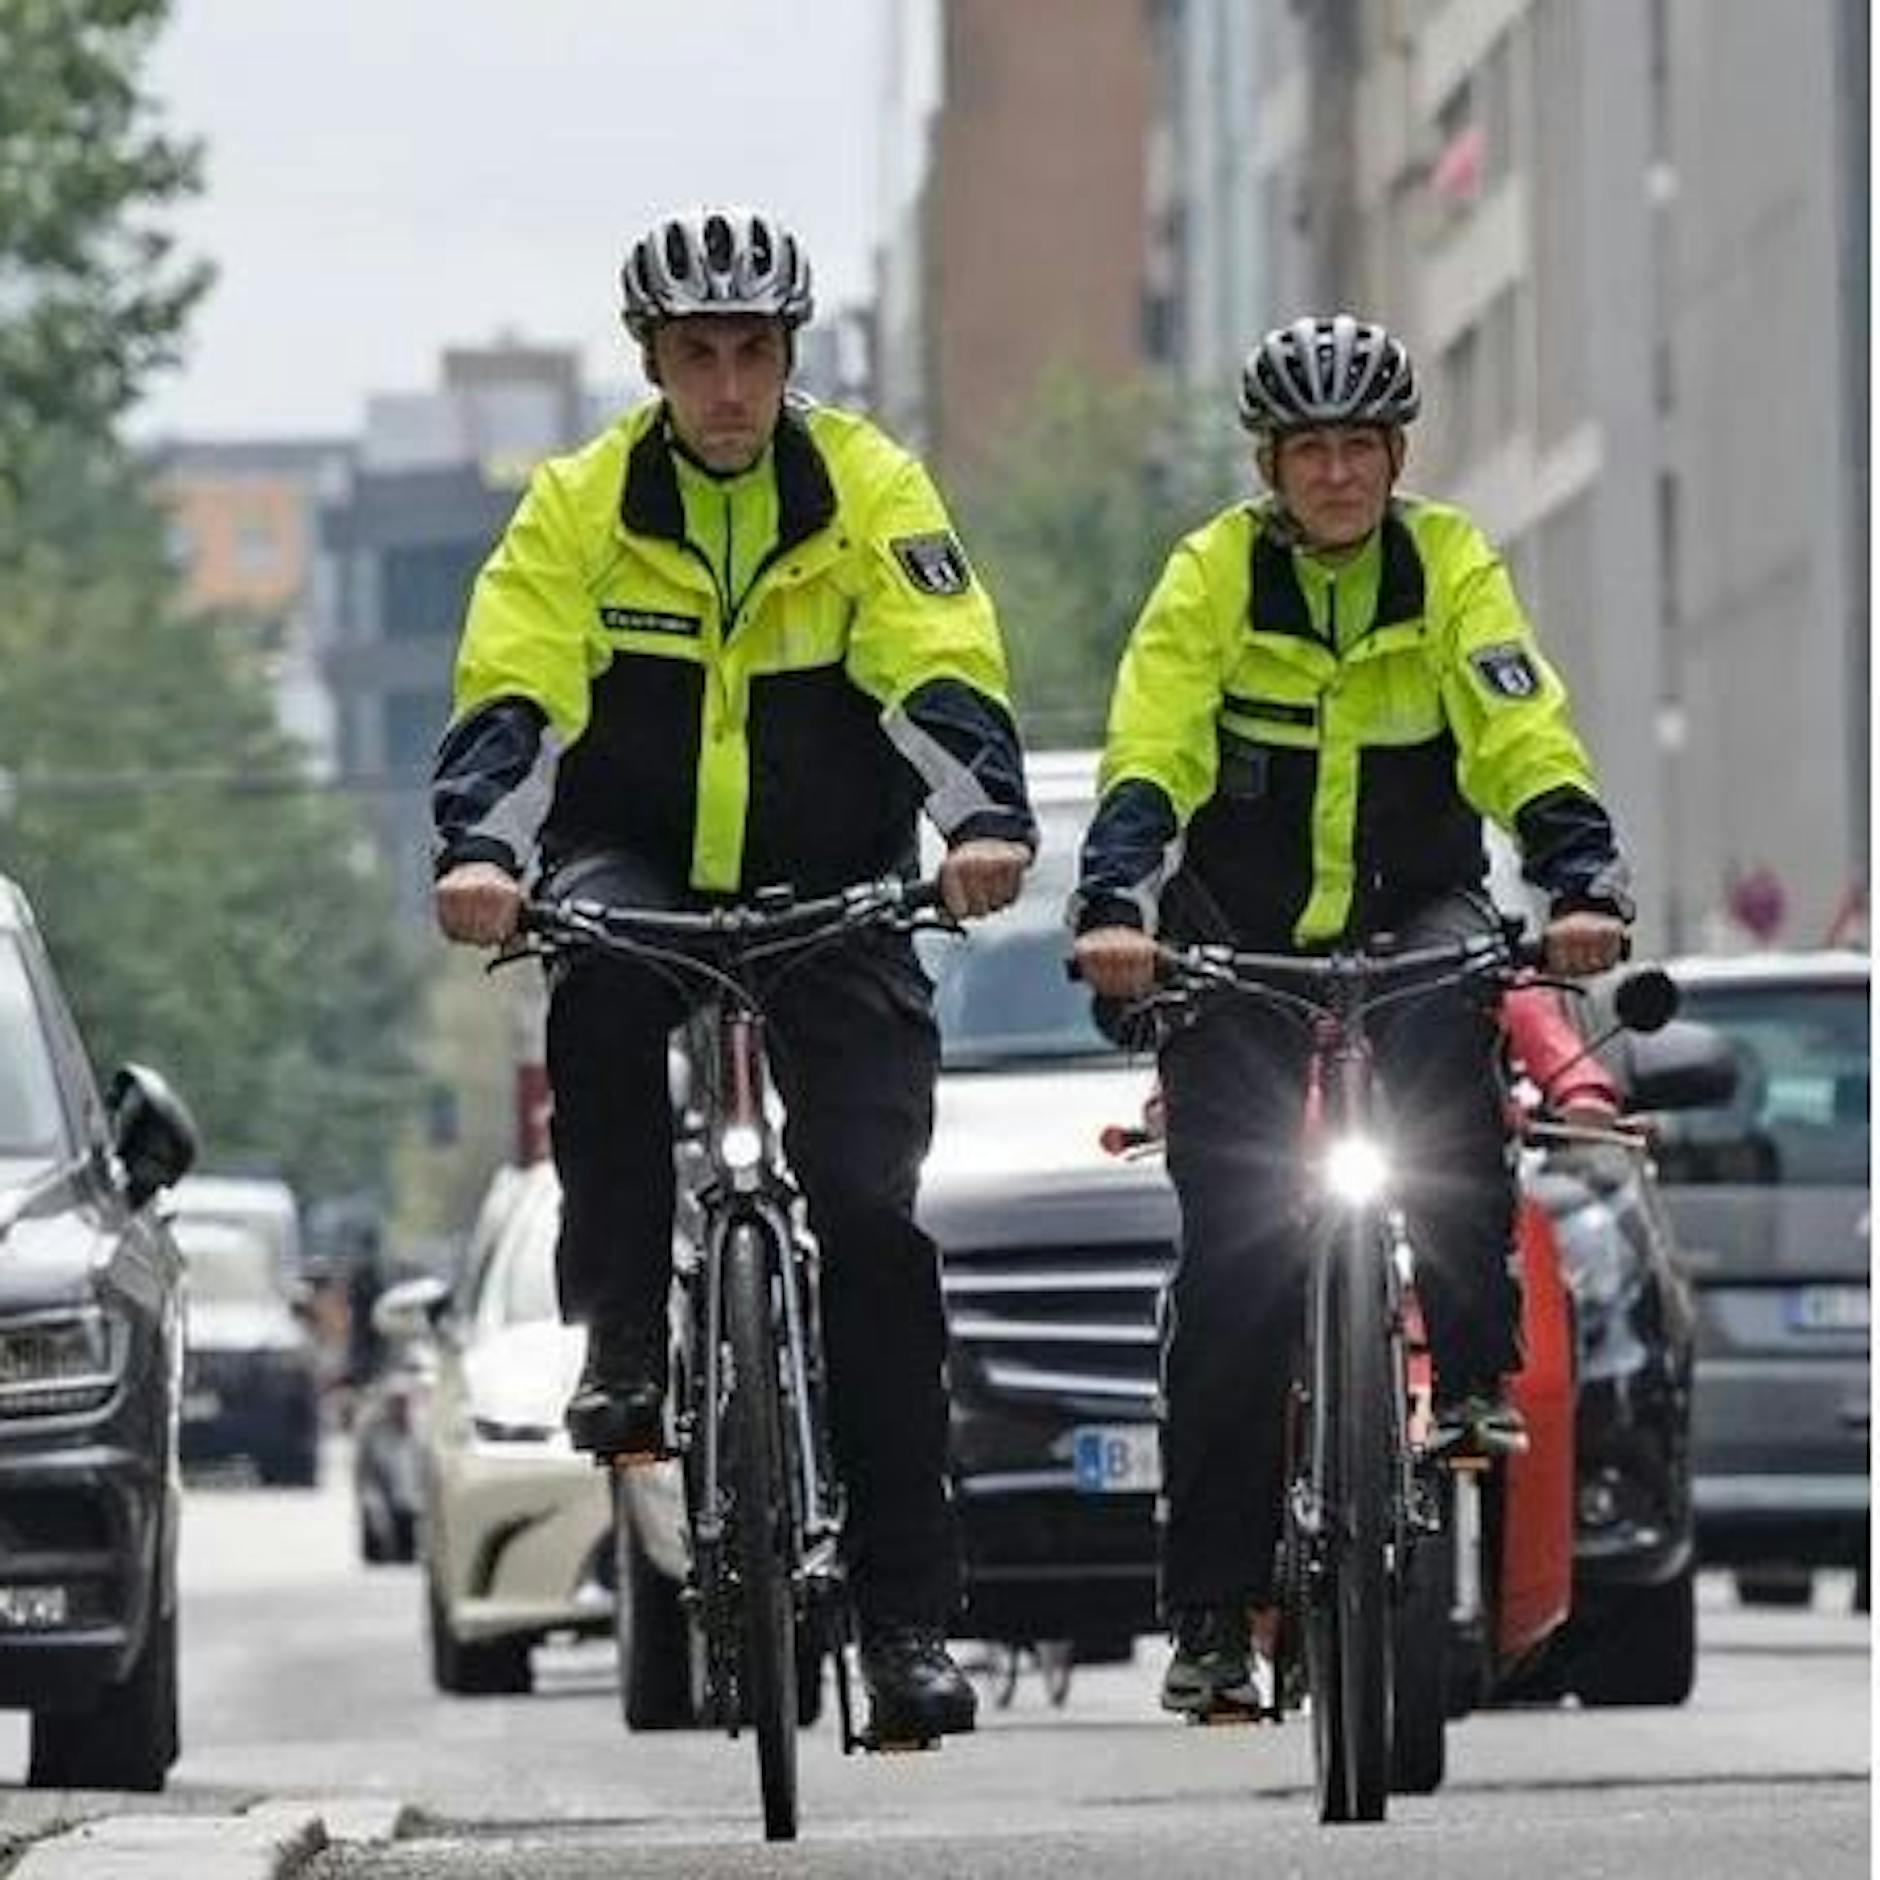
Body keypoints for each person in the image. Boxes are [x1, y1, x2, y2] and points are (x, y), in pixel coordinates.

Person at [430, 207, 1035, 1741]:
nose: (725, 386)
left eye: (751, 354)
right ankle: (626, 1336)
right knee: (600, 995)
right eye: (695, 355)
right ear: (651, 363)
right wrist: (482, 853)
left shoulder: (869, 490)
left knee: (878, 1234)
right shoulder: (575, 505)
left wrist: (980, 822)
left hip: (834, 875)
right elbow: (512, 686)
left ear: (787, 361)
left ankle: (906, 1630)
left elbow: (943, 657)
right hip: (636, 859)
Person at [1069, 314, 1632, 1717]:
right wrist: (1120, 902)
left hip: (1412, 916)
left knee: (1454, 1046)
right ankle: (1210, 1619)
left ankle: (1476, 1371)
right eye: (1310, 450)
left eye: (1360, 449)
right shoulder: (1211, 576)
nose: (1337, 475)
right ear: (1271, 464)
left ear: (1395, 459)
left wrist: (1577, 871)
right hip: (1239, 947)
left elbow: (1520, 728)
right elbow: (1153, 746)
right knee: (1237, 1274)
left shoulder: (1446, 567)